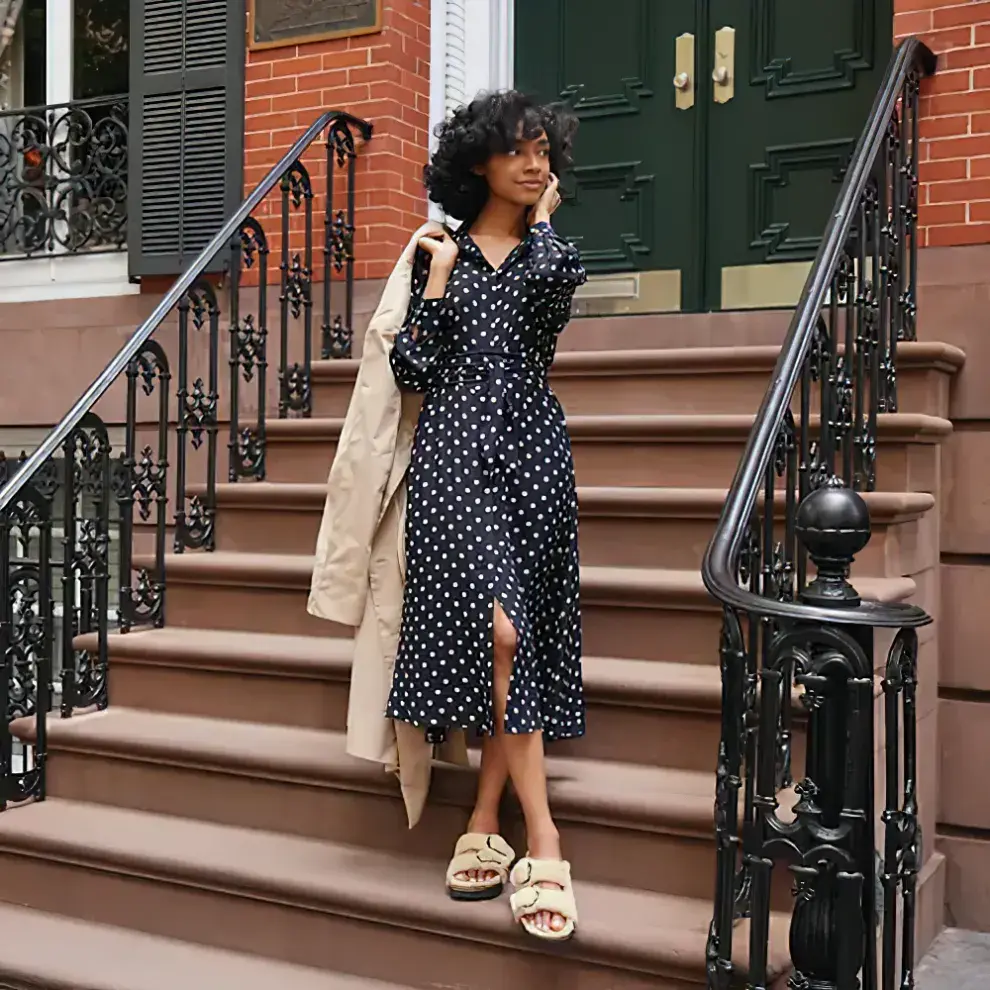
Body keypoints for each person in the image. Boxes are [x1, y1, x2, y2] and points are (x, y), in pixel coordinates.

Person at [386, 91, 586, 942]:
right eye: (519, 151)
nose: (536, 163)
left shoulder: (554, 255)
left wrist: (541, 221)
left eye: (545, 151)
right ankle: (544, 840)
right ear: (478, 162)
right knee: (501, 632)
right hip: (455, 457)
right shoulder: (440, 253)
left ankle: (485, 815)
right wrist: (434, 279)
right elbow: (409, 368)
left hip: (534, 453)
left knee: (523, 635)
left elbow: (547, 306)